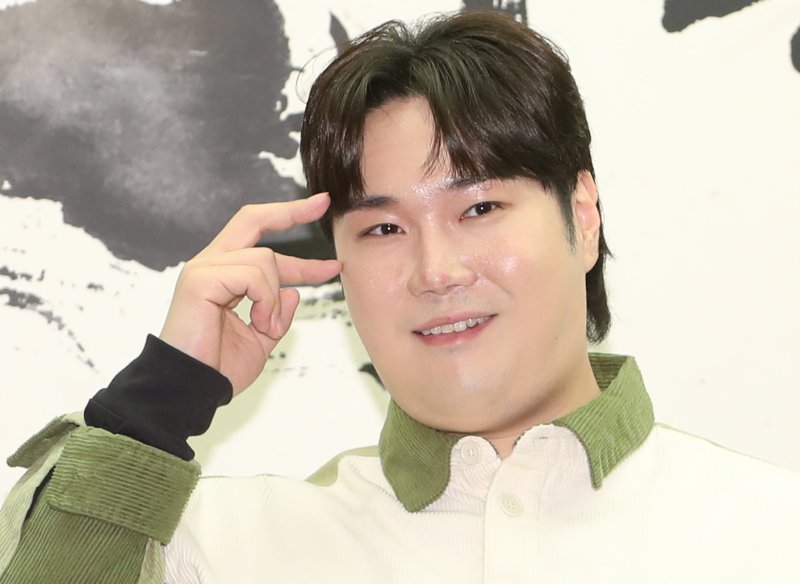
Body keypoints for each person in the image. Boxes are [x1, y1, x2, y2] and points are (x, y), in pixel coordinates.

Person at [1, 9, 798, 584]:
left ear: (582, 216)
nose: (435, 270)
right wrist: (158, 401)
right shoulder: (220, 548)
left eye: (479, 209)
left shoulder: (770, 535)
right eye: (383, 229)